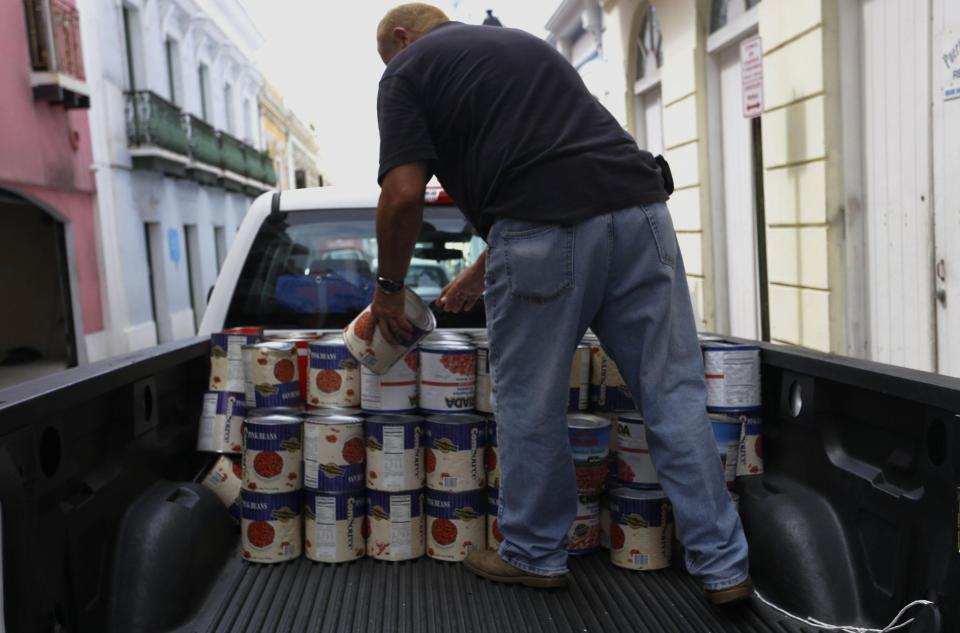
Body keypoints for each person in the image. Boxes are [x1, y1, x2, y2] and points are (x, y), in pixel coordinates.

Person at [369, 3, 751, 603]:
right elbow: (564, 167)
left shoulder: (408, 68)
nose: (391, 66)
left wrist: (389, 288)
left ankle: (535, 554)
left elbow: (403, 193)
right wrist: (481, 268)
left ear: (400, 38)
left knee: (530, 400)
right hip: (642, 213)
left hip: (543, 230)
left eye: (388, 56)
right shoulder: (526, 47)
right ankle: (724, 568)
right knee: (673, 393)